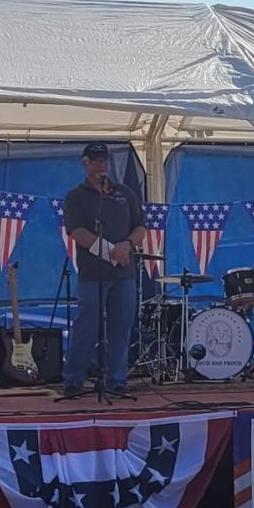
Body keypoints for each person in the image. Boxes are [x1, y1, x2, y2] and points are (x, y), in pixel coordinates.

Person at [60, 143, 147, 397]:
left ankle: (117, 379)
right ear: (85, 163)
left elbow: (140, 227)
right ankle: (74, 379)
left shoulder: (125, 193)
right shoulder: (76, 196)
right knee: (86, 326)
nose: (102, 165)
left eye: (105, 160)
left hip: (124, 274)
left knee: (121, 327)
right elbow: (78, 232)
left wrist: (128, 245)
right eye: (96, 160)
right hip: (92, 273)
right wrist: (112, 252)